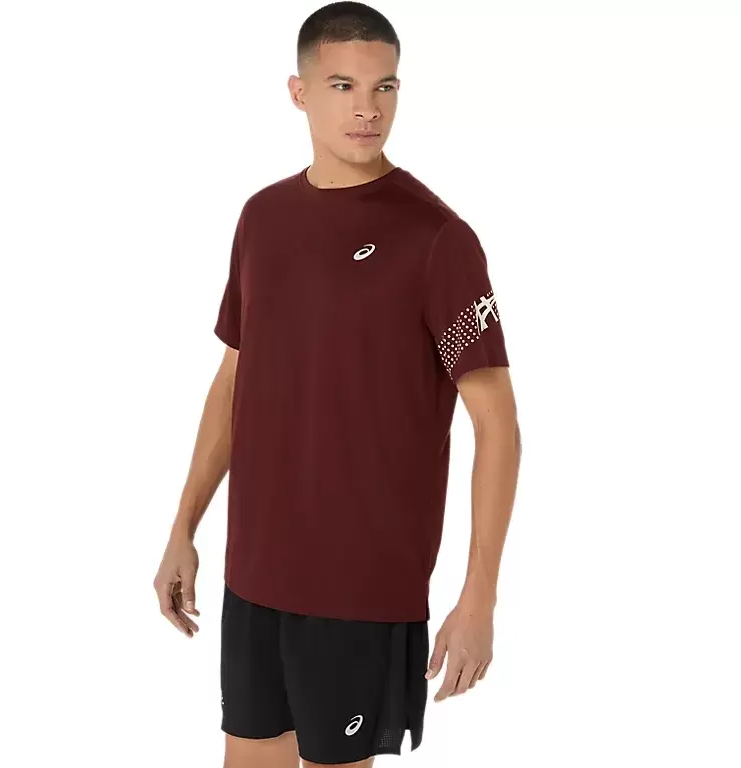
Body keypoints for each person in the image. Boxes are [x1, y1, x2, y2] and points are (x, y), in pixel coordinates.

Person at [153, 3, 521, 766]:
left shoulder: (437, 240)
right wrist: (184, 525)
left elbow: (497, 424)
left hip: (360, 589)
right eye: (344, 86)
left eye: (385, 87)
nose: (368, 109)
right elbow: (236, 377)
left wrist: (479, 595)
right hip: (255, 575)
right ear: (299, 92)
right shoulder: (262, 220)